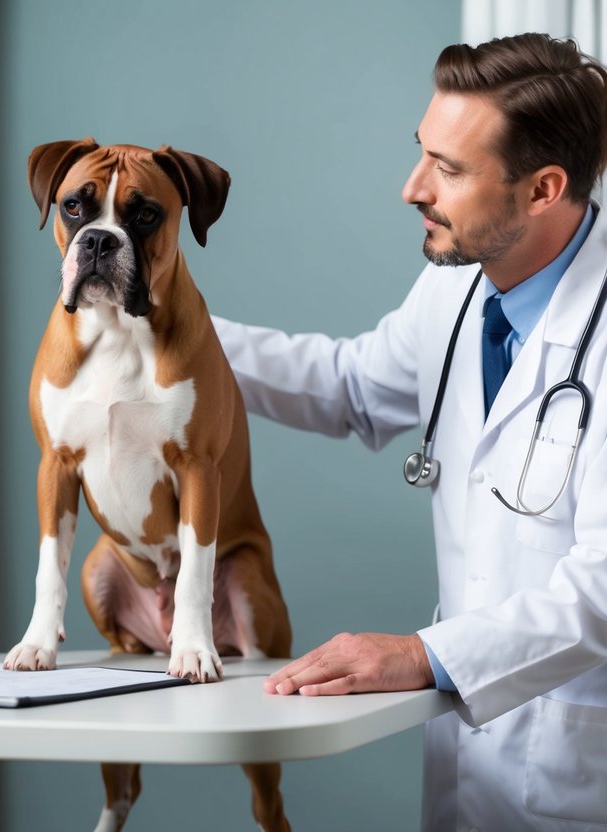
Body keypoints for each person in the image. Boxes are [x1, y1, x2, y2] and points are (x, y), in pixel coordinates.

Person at [213, 33, 607, 830]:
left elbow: (599, 591)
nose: (411, 188)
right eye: (420, 153)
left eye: (448, 170)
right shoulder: (456, 292)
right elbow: (349, 385)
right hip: (468, 775)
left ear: (542, 190)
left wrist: (420, 655)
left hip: (576, 781)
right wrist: (165, 329)